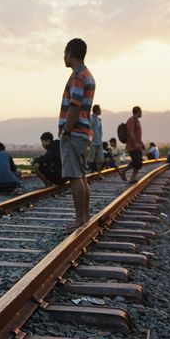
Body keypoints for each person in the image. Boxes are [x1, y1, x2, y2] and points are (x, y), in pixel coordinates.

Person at [58, 38, 95, 232]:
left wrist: (66, 131)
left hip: (75, 132)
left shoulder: (78, 76)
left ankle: (79, 219)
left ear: (70, 54)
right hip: (83, 132)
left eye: (65, 53)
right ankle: (85, 217)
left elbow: (75, 105)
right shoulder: (87, 74)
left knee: (74, 177)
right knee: (81, 176)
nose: (64, 57)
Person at [120, 106, 144, 183]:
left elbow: (138, 134)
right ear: (137, 112)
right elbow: (131, 132)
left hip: (138, 146)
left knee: (139, 163)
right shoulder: (131, 120)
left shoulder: (137, 121)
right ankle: (124, 171)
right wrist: (136, 143)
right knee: (137, 161)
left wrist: (141, 143)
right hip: (132, 146)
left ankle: (132, 177)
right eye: (140, 111)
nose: (141, 113)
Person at [87, 104, 104, 171]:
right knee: (91, 159)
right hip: (92, 142)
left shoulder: (98, 120)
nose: (101, 111)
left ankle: (98, 173)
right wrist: (89, 140)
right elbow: (88, 129)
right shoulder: (91, 119)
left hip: (99, 141)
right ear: (97, 110)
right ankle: (88, 172)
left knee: (101, 160)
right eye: (100, 109)